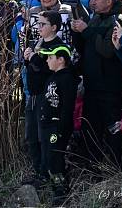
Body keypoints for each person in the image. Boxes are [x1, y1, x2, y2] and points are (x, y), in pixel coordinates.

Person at [71, 0, 122, 167]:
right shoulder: (95, 18)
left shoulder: (117, 20)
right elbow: (86, 47)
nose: (92, 2)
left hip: (110, 87)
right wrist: (77, 32)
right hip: (92, 84)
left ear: (109, 1)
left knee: (112, 128)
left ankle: (115, 167)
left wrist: (86, 31)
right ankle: (90, 165)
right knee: (91, 127)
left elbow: (107, 50)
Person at [22, 10, 68, 185]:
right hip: (32, 95)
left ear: (54, 27)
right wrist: (28, 58)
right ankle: (39, 172)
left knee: (45, 139)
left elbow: (50, 70)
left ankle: (48, 174)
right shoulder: (37, 43)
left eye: (43, 24)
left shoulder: (58, 45)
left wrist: (34, 58)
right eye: (38, 24)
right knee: (31, 137)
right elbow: (33, 68)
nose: (39, 27)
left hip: (47, 98)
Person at [38, 44, 78, 204]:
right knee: (48, 156)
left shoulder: (67, 78)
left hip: (57, 127)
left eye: (50, 57)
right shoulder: (51, 77)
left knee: (55, 157)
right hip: (47, 125)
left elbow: (68, 107)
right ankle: (54, 186)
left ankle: (62, 191)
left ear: (61, 60)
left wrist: (60, 129)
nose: (47, 60)